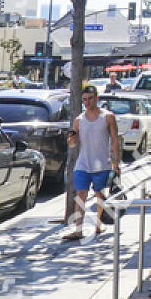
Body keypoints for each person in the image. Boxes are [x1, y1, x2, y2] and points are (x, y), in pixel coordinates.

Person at [64, 85, 120, 240]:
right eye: (84, 100)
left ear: (96, 98)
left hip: (101, 163)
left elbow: (115, 140)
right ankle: (78, 229)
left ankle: (98, 224)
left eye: (89, 99)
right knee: (80, 193)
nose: (87, 102)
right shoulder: (78, 120)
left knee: (99, 194)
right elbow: (72, 144)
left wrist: (116, 162)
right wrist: (71, 141)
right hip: (82, 163)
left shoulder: (107, 117)